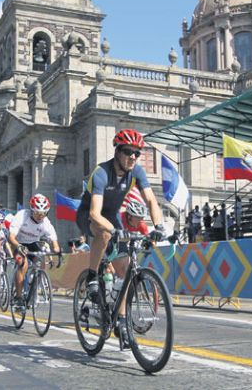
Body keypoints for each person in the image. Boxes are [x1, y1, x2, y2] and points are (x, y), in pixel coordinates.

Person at [75, 128, 176, 349]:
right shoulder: (101, 173)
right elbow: (94, 214)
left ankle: (121, 321)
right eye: (128, 152)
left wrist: (159, 226)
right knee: (104, 232)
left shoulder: (137, 172)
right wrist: (113, 230)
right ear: (118, 152)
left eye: (137, 153)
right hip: (90, 214)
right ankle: (92, 275)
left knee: (127, 269)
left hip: (111, 216)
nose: (133, 157)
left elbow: (150, 201)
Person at [8, 194, 62, 308]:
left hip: (32, 243)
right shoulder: (22, 216)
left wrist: (57, 250)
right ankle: (18, 297)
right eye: (37, 213)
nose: (40, 216)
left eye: (43, 214)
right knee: (23, 263)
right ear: (31, 210)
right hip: (18, 243)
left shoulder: (46, 223)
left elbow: (54, 241)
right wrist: (18, 246)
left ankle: (33, 289)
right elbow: (11, 237)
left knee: (41, 263)